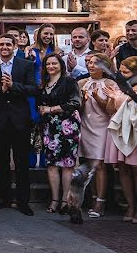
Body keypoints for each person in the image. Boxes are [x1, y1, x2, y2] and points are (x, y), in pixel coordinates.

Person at [0, 33, 38, 216]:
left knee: (21, 162)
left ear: (14, 46)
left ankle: (23, 201)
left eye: (8, 44)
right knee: (1, 161)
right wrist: (2, 89)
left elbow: (32, 89)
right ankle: (3, 198)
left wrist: (13, 86)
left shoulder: (26, 65)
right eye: (2, 44)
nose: (4, 47)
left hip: (20, 120)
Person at [35, 52, 81, 214]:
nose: (51, 66)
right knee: (52, 165)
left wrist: (51, 109)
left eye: (54, 63)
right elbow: (39, 103)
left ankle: (65, 200)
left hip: (67, 126)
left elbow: (75, 102)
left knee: (67, 165)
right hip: (50, 127)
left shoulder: (68, 81)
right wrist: (41, 109)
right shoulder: (44, 83)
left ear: (61, 65)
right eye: (48, 64)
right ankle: (54, 200)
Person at [77, 52, 119, 218]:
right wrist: (84, 101)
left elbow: (111, 110)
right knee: (89, 165)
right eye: (89, 62)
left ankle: (100, 201)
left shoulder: (110, 84)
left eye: (95, 63)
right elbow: (76, 109)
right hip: (85, 126)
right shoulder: (81, 83)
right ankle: (92, 197)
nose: (91, 65)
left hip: (102, 127)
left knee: (99, 165)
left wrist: (98, 98)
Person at [107, 56, 137, 223]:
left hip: (134, 132)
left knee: (136, 170)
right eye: (121, 72)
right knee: (124, 170)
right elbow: (111, 110)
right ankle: (130, 206)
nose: (122, 75)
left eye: (126, 72)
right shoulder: (118, 87)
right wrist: (114, 99)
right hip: (120, 132)